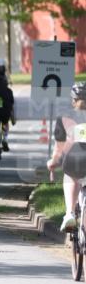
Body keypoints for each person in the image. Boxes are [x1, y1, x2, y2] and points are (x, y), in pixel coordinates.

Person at [47, 82, 86, 232]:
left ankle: (70, 213)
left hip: (74, 161)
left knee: (70, 176)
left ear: (73, 100)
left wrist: (52, 163)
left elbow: (59, 149)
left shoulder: (64, 118)